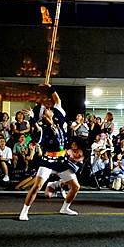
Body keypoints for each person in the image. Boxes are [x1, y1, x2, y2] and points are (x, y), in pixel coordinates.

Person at [19, 85, 80, 221]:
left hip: (62, 161)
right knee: (37, 186)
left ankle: (65, 208)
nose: (49, 109)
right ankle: (24, 211)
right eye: (46, 109)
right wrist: (32, 118)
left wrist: (50, 88)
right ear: (43, 116)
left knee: (76, 187)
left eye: (49, 108)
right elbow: (35, 128)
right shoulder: (43, 128)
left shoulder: (59, 116)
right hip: (48, 161)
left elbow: (57, 100)